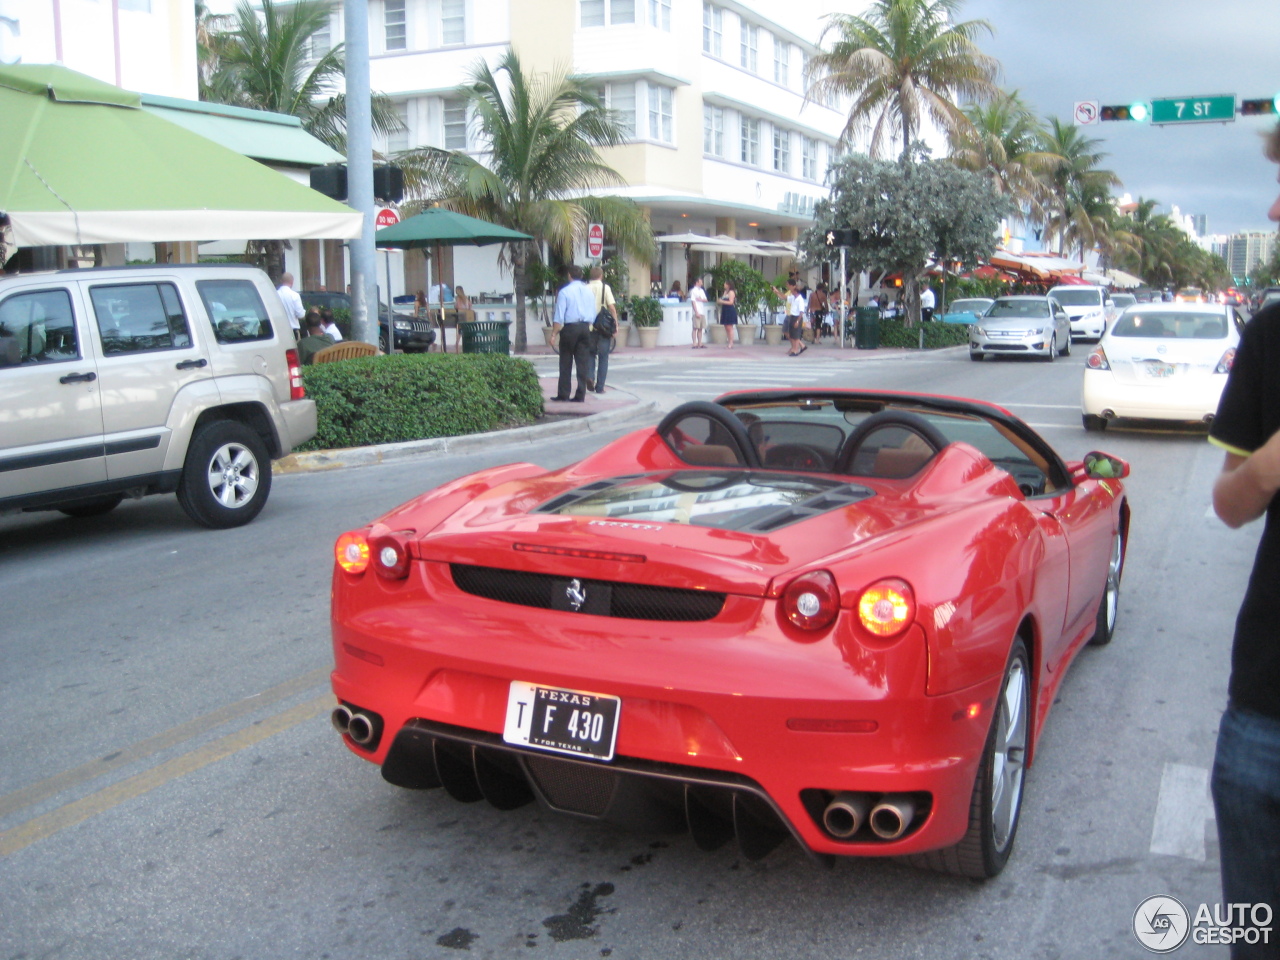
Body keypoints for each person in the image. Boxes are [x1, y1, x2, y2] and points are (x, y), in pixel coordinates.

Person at [1206, 120, 1280, 960]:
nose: (1273, 206)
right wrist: (1271, 462)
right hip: (1266, 706)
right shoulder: (1269, 337)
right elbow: (1227, 505)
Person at [551, 264, 595, 402]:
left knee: (566, 361)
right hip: (585, 327)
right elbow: (593, 312)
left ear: (569, 275)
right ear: (581, 276)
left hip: (570, 328)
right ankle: (580, 394)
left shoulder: (565, 292)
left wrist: (553, 334)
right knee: (582, 362)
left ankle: (564, 393)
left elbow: (559, 315)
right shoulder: (589, 291)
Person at [585, 266, 619, 393]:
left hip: (589, 326)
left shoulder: (585, 288)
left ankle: (589, 376)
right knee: (603, 357)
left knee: (590, 354)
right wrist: (615, 324)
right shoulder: (605, 288)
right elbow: (611, 307)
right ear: (601, 276)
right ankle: (600, 387)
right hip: (603, 327)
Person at [275, 272, 305, 341]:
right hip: (293, 332)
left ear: (281, 281)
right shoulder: (295, 295)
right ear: (292, 282)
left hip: (279, 331)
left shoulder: (275, 294)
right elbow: (301, 315)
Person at [784, 279, 806, 356]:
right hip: (792, 316)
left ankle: (796, 350)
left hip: (797, 317)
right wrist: (776, 291)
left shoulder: (800, 300)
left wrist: (797, 321)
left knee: (796, 336)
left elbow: (801, 312)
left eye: (793, 292)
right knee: (792, 335)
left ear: (796, 292)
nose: (792, 293)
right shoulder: (793, 298)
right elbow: (784, 297)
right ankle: (794, 349)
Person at [716, 279, 738, 348]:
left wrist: (722, 301)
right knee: (726, 327)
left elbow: (731, 302)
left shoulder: (731, 292)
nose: (724, 285)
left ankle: (731, 343)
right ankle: (729, 341)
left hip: (729, 310)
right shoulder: (725, 292)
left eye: (725, 284)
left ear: (728, 285)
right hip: (725, 310)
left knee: (729, 327)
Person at [689, 276, 708, 349]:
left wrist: (700, 299)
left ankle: (700, 343)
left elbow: (705, 300)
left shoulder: (701, 291)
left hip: (702, 311)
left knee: (700, 328)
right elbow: (693, 301)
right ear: (697, 282)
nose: (702, 283)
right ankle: (694, 343)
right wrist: (696, 312)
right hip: (696, 311)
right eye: (701, 282)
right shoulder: (693, 291)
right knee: (695, 328)